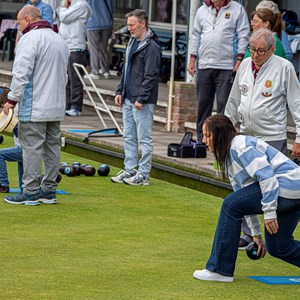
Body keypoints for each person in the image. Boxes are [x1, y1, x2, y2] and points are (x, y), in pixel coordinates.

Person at [193, 114, 300, 282]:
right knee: (279, 247)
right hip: (293, 192)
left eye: (208, 135)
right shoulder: (229, 156)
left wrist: (270, 212)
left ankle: (219, 270)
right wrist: (256, 235)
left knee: (229, 205)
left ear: (220, 134)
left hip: (287, 186)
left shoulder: (241, 146)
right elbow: (243, 197)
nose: (204, 140)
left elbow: (267, 177)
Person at [225, 28, 300, 248]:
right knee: (245, 189)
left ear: (271, 49)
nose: (255, 54)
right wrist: (224, 129)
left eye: (260, 50)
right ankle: (250, 236)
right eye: (252, 49)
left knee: (271, 189)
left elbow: (296, 104)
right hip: (247, 137)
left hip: (272, 139)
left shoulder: (284, 68)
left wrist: (299, 137)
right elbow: (233, 100)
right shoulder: (245, 66)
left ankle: (277, 238)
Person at [2, 5, 69, 205]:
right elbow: (65, 76)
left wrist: (11, 99)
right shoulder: (59, 39)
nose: (20, 27)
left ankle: (30, 191)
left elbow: (21, 73)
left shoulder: (29, 39)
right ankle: (48, 190)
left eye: (20, 22)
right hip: (56, 105)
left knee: (30, 148)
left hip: (35, 106)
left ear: (28, 20)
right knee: (52, 148)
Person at [110, 9, 160, 186]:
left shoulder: (152, 46)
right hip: (128, 97)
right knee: (129, 136)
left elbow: (151, 75)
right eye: (128, 25)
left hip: (142, 100)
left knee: (144, 138)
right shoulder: (132, 42)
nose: (129, 28)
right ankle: (130, 169)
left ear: (142, 23)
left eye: (132, 25)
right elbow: (126, 69)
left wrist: (142, 97)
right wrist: (119, 91)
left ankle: (144, 174)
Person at [187, 0, 250, 141]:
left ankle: (222, 139)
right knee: (203, 103)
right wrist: (192, 58)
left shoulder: (237, 9)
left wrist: (239, 59)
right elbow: (196, 35)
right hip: (204, 64)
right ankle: (202, 138)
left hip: (226, 66)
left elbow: (243, 35)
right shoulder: (202, 10)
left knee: (224, 104)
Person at [59, 0, 92, 117]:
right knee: (67, 79)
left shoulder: (81, 4)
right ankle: (67, 105)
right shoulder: (72, 6)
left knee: (75, 79)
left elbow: (63, 17)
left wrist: (63, 7)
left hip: (76, 47)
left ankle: (75, 107)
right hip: (66, 46)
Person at [84, 0, 114, 80]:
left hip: (92, 23)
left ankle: (95, 72)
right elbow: (111, 7)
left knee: (93, 48)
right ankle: (105, 71)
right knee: (104, 48)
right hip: (107, 22)